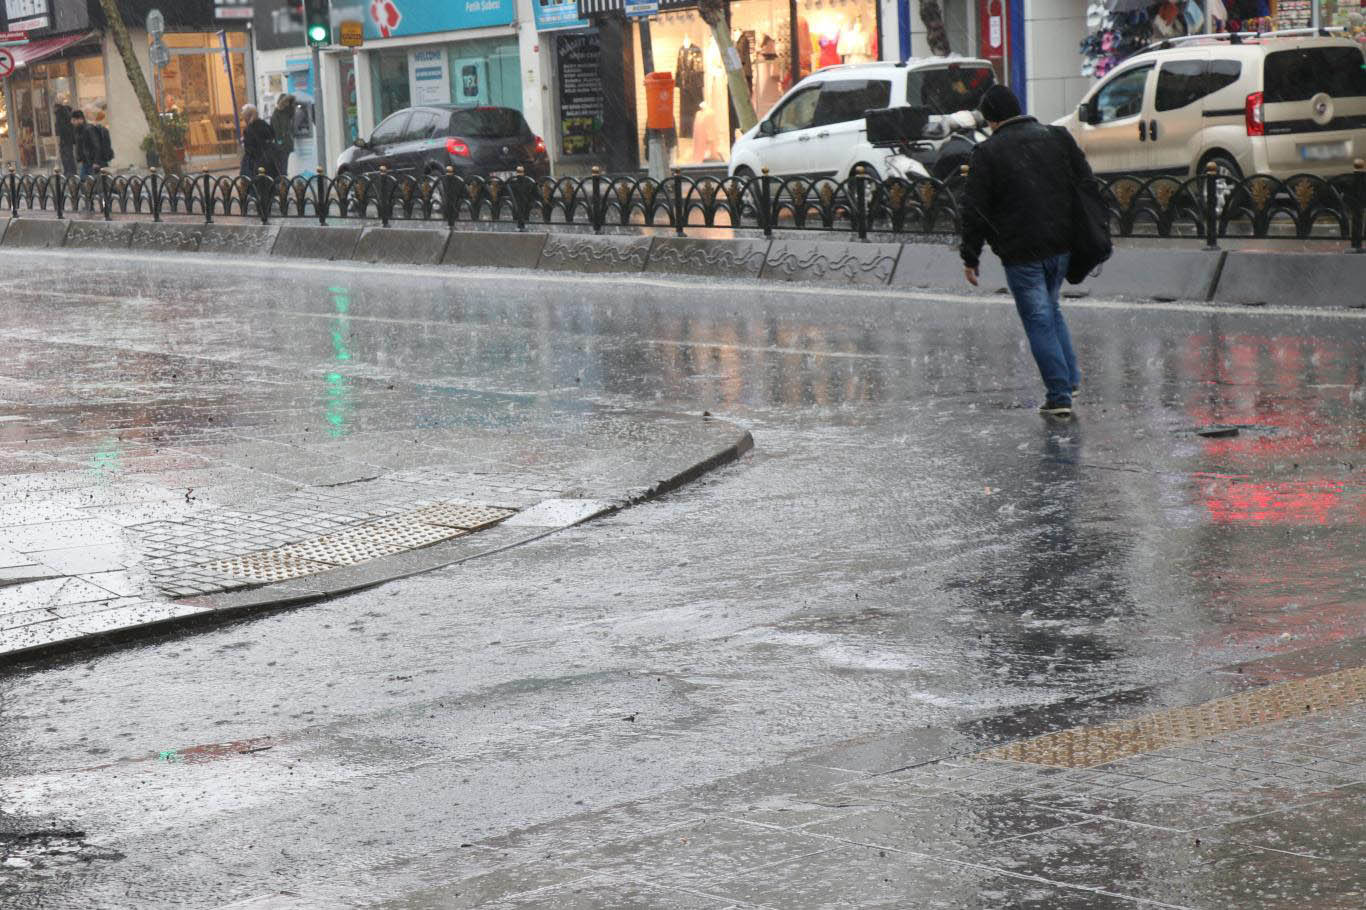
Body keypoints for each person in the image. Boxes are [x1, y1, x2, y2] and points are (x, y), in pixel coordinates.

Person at [960, 85, 1092, 418]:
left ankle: (1059, 395)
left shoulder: (988, 153)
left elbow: (974, 208)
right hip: (1060, 244)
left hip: (1023, 251)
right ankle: (1069, 378)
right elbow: (1083, 182)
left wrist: (970, 256)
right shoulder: (1056, 137)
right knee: (1051, 309)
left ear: (991, 119)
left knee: (1038, 320)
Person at [239, 104, 278, 180]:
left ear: (246, 116)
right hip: (269, 161)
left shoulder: (249, 130)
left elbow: (249, 149)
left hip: (254, 163)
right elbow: (272, 136)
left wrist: (244, 142)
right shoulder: (264, 124)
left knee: (252, 183)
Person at [269, 93, 296, 178]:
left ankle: (283, 183)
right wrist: (280, 143)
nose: (288, 104)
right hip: (280, 145)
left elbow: (293, 106)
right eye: (286, 102)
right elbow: (277, 131)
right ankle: (282, 184)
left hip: (286, 144)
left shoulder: (286, 112)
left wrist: (290, 99)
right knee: (281, 167)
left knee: (284, 165)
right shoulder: (276, 114)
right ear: (282, 102)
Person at [70, 109, 101, 179]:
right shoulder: (78, 130)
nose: (72, 122)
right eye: (72, 120)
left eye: (74, 120)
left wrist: (96, 162)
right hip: (85, 162)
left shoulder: (89, 129)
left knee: (93, 184)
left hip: (92, 162)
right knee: (84, 182)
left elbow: (96, 145)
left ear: (80, 119)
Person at [54, 93, 77, 176]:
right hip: (65, 137)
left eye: (59, 98)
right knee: (66, 155)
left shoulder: (62, 111)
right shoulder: (62, 111)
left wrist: (60, 136)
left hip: (66, 137)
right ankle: (69, 171)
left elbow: (62, 125)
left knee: (67, 155)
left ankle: (70, 172)